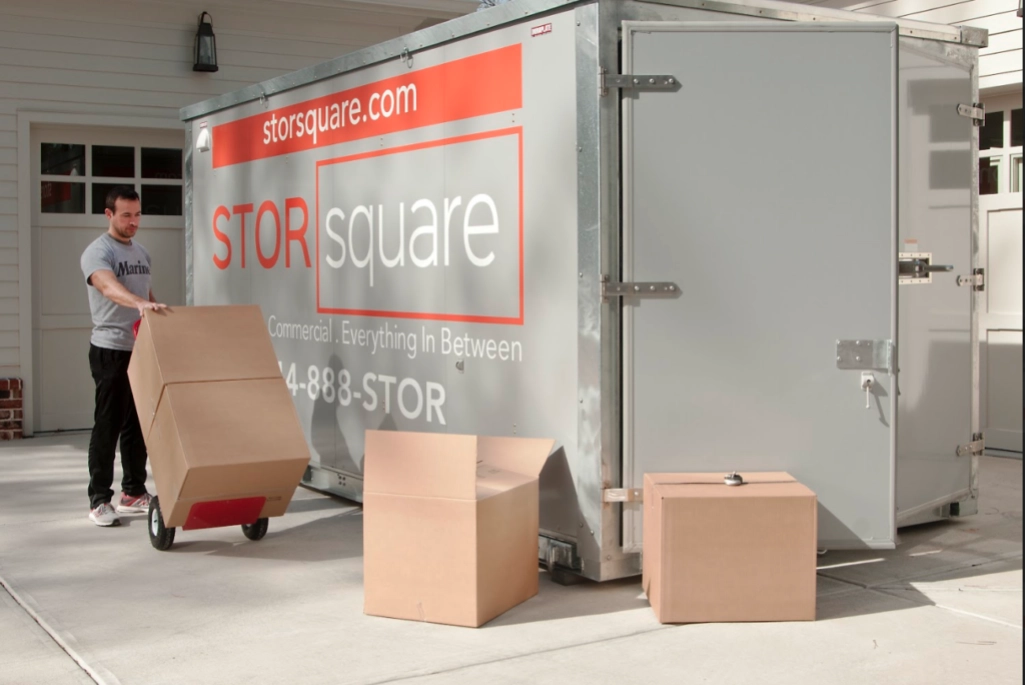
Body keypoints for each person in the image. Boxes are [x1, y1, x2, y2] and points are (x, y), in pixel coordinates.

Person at [80, 186, 166, 527]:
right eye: (126, 215)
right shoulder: (97, 252)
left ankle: (133, 492)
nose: (133, 222)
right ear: (109, 215)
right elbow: (107, 286)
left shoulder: (142, 252)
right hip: (109, 349)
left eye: (137, 214)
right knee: (109, 424)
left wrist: (153, 312)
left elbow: (145, 293)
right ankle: (99, 499)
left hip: (139, 348)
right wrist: (139, 303)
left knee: (138, 424)